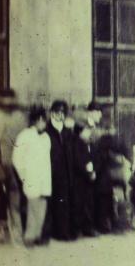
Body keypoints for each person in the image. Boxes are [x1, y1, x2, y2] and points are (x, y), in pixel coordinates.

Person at [13, 107, 51, 247]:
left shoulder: (46, 137)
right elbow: (17, 158)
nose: (42, 123)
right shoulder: (25, 135)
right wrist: (24, 175)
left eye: (44, 120)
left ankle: (37, 235)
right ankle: (29, 236)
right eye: (39, 120)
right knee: (32, 208)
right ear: (34, 121)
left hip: (44, 179)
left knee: (42, 208)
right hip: (31, 178)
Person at [46, 100, 74, 241]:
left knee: (64, 203)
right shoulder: (47, 130)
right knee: (51, 202)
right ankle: (51, 232)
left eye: (63, 113)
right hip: (51, 171)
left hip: (66, 172)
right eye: (58, 112)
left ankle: (63, 232)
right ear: (52, 113)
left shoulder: (68, 131)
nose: (61, 115)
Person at [70, 118, 97, 237]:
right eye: (87, 130)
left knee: (87, 204)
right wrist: (89, 173)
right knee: (79, 205)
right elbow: (79, 162)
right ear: (80, 131)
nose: (89, 133)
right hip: (79, 179)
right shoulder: (77, 144)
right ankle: (78, 229)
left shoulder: (85, 143)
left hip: (85, 179)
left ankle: (86, 228)